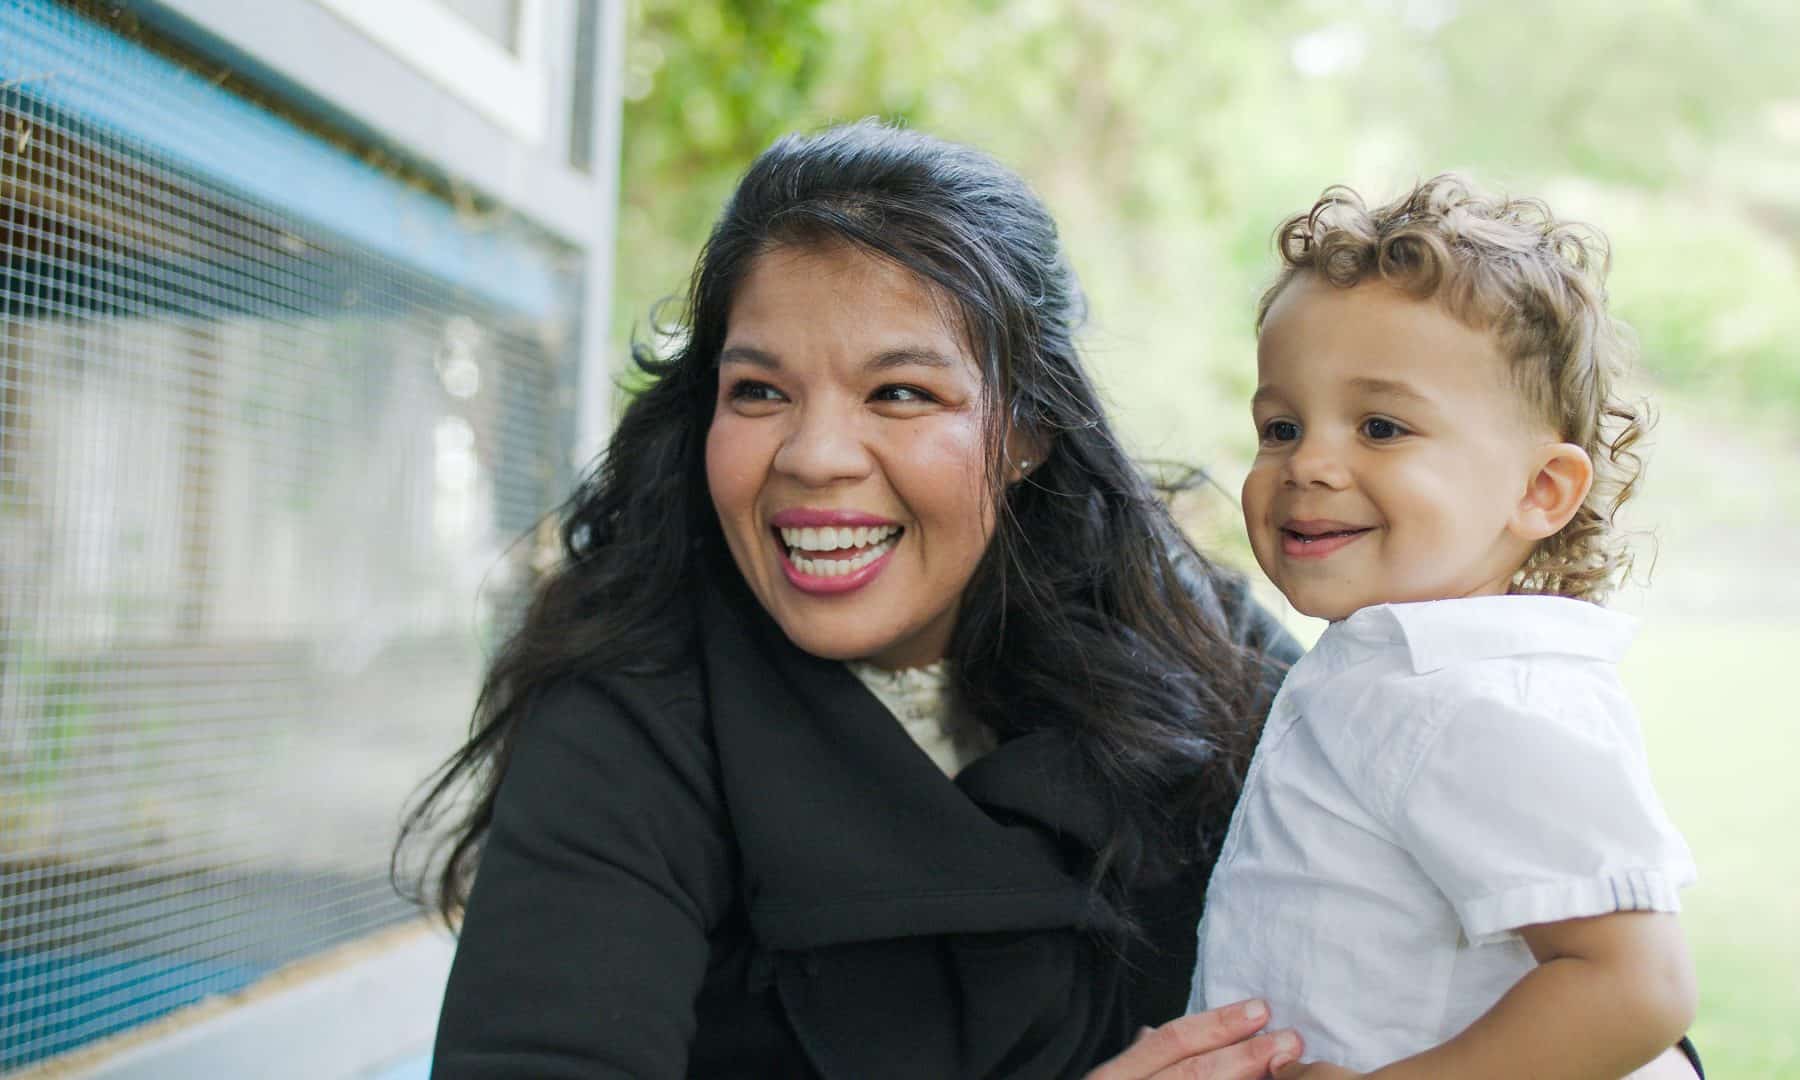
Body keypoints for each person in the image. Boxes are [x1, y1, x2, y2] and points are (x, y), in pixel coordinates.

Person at [402, 119, 1313, 1078]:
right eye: (759, 392)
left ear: (1028, 432)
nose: (813, 456)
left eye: (901, 394)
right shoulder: (629, 711)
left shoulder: (1195, 653)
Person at [1189, 177, 1700, 1078]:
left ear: (1540, 491)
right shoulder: (1396, 670)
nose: (1308, 463)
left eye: (1380, 427)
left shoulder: (1480, 702)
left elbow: (1634, 987)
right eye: (1280, 426)